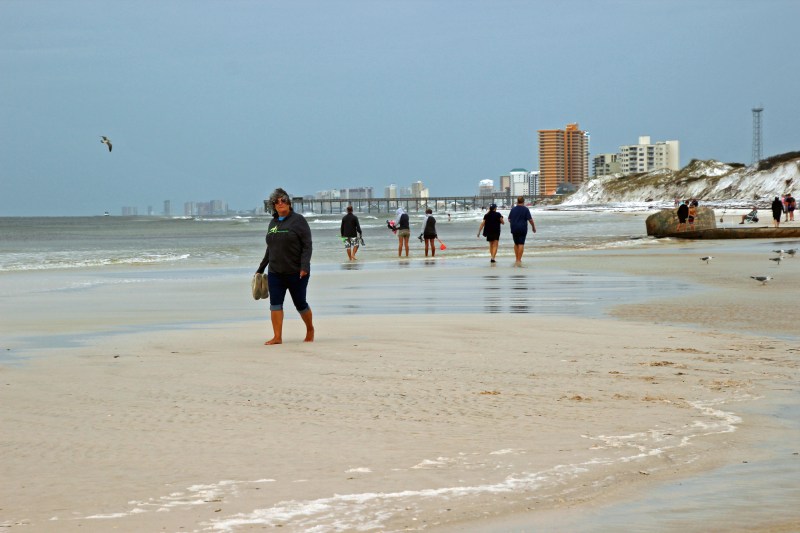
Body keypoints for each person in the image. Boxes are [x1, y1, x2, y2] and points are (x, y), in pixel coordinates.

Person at [256, 188, 314, 345]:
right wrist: (260, 269)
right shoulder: (273, 223)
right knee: (275, 304)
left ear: (289, 203)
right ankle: (277, 337)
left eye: (283, 200)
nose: (280, 203)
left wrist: (304, 266)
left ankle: (310, 329)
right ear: (273, 205)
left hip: (296, 272)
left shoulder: (298, 220)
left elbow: (307, 245)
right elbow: (270, 248)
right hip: (275, 272)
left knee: (300, 304)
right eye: (276, 201)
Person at [507, 196, 536, 266]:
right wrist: (533, 227)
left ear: (517, 201)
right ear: (523, 201)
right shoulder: (525, 209)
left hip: (514, 228)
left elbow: (509, 219)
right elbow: (530, 220)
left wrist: (514, 222)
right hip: (522, 228)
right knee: (521, 243)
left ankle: (516, 258)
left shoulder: (513, 209)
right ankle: (519, 260)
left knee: (516, 243)